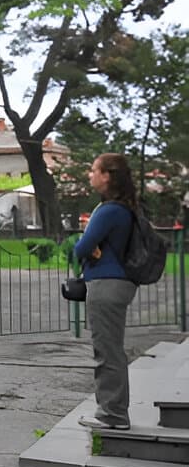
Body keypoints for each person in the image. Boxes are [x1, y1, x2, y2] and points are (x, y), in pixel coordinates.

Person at [73, 153, 141, 431]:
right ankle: (113, 412)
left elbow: (80, 248)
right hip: (118, 282)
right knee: (110, 349)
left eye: (94, 170)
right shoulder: (124, 209)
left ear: (107, 176)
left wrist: (88, 245)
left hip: (106, 284)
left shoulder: (109, 210)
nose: (90, 175)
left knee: (107, 352)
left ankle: (112, 415)